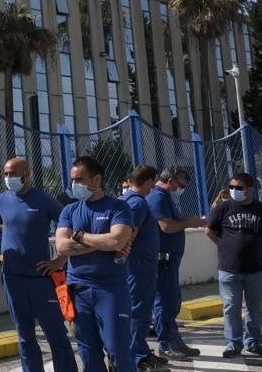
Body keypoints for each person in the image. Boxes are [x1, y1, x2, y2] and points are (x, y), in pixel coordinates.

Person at [0, 159, 76, 372]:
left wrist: (59, 260)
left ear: (26, 173)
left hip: (41, 279)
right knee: (25, 335)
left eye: (13, 174)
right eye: (5, 174)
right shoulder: (0, 200)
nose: (8, 178)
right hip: (13, 278)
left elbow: (68, 224)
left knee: (56, 333)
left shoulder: (44, 200)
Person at [55, 155, 135, 372]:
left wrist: (79, 236)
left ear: (97, 180)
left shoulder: (118, 208)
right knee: (88, 352)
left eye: (79, 179)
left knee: (118, 349)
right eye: (73, 179)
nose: (74, 184)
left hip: (110, 290)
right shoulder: (69, 211)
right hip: (78, 290)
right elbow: (61, 247)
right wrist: (101, 242)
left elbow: (116, 240)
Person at [205, 172, 262, 359]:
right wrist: (225, 246)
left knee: (255, 310)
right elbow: (209, 230)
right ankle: (233, 343)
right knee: (231, 307)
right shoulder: (223, 208)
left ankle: (254, 342)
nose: (234, 190)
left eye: (239, 188)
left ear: (250, 189)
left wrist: (254, 246)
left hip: (257, 268)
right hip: (229, 269)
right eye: (232, 187)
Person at [147, 165, 203, 360]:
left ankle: (175, 341)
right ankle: (166, 345)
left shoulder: (166, 197)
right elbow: (167, 226)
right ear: (170, 180)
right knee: (164, 302)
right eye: (180, 185)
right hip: (163, 259)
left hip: (170, 259)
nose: (181, 189)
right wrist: (190, 223)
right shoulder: (158, 198)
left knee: (172, 302)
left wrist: (190, 220)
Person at [122, 164, 166, 371]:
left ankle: (141, 351)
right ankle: (136, 356)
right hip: (138, 266)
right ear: (148, 182)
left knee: (140, 310)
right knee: (138, 311)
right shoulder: (137, 203)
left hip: (140, 264)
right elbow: (129, 234)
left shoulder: (131, 200)